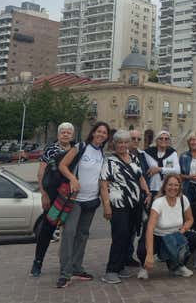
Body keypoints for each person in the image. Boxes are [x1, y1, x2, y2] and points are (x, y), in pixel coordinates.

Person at [55, 122, 109, 288]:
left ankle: (77, 267)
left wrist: (105, 201)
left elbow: (101, 179)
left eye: (104, 133)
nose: (101, 134)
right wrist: (73, 179)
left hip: (91, 201)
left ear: (107, 137)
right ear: (93, 133)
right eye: (98, 131)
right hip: (75, 199)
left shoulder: (102, 153)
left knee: (83, 235)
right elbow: (63, 165)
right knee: (69, 233)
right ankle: (65, 272)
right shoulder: (81, 147)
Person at [99, 130, 152, 284]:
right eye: (119, 142)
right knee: (119, 235)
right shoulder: (109, 161)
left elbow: (140, 177)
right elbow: (103, 185)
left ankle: (121, 265)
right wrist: (106, 206)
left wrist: (147, 192)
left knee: (129, 236)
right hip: (118, 205)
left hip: (134, 205)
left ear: (129, 143)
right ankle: (111, 270)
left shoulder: (134, 158)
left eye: (125, 142)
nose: (122, 145)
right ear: (114, 144)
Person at [30, 122, 74, 278]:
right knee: (47, 230)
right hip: (53, 195)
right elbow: (41, 173)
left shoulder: (76, 150)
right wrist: (43, 193)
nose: (66, 134)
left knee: (70, 231)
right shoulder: (51, 150)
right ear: (58, 134)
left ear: (72, 135)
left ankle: (68, 264)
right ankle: (38, 262)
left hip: (70, 196)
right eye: (63, 132)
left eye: (69, 132)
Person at [137, 174, 195, 279]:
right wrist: (149, 254)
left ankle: (178, 266)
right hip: (158, 236)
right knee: (142, 249)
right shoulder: (158, 202)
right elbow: (150, 228)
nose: (173, 188)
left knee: (193, 238)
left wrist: (182, 230)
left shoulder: (183, 199)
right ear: (164, 186)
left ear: (180, 187)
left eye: (176, 185)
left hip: (174, 235)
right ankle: (144, 267)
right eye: (170, 185)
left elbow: (190, 219)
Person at [125, 128, 149, 267]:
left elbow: (144, 174)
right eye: (133, 138)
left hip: (139, 197)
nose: (135, 141)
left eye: (138, 139)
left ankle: (128, 255)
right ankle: (121, 257)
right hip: (126, 198)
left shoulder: (142, 155)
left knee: (134, 228)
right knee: (124, 229)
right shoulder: (122, 155)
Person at [143, 130, 180, 197]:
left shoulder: (172, 153)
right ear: (156, 140)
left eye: (166, 139)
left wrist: (160, 169)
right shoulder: (148, 153)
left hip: (167, 189)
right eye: (161, 138)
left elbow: (177, 171)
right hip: (152, 188)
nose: (164, 140)